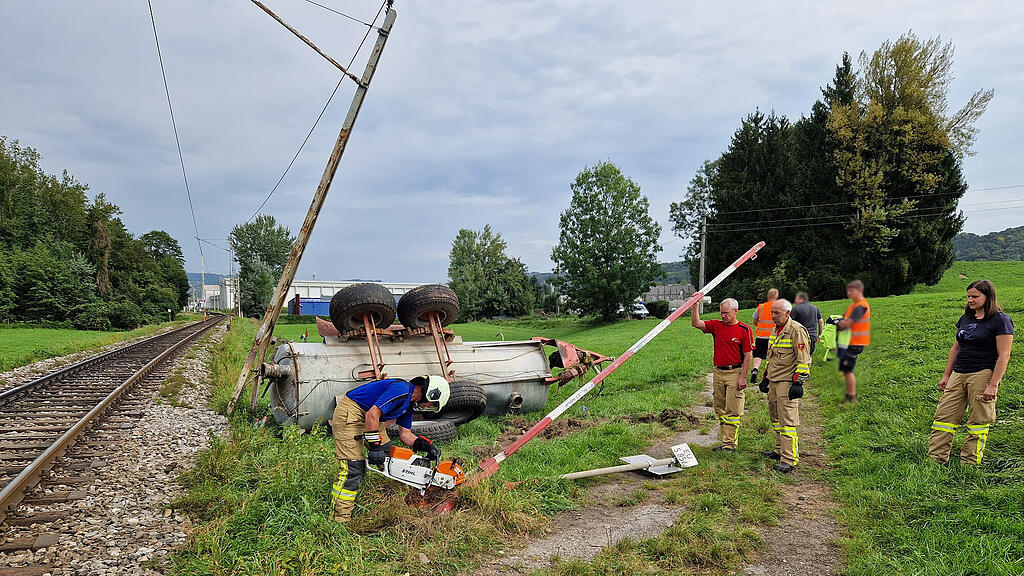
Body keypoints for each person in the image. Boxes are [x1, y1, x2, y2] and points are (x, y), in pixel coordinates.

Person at [330, 375, 451, 522]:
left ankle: (394, 498)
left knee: (391, 456)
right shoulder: (401, 390)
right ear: (431, 393)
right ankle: (339, 519)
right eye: (431, 404)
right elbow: (372, 414)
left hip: (371, 417)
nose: (427, 407)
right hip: (352, 412)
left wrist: (426, 446)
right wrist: (374, 447)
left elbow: (405, 435)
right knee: (354, 467)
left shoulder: (408, 405)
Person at [928, 280, 1014, 465]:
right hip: (958, 373)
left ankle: (970, 462)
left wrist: (993, 385)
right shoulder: (966, 318)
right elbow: (955, 349)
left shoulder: (1001, 320)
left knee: (979, 421)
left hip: (983, 374)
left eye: (975, 296)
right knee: (943, 417)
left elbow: (1004, 355)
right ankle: (936, 459)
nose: (970, 300)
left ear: (988, 297)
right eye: (968, 296)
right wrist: (946, 375)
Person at [691, 298, 753, 452]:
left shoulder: (744, 330)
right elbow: (696, 323)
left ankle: (729, 445)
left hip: (735, 372)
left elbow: (748, 356)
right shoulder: (716, 326)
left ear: (735, 311)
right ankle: (726, 440)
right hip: (718, 372)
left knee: (733, 409)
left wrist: (743, 377)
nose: (723, 316)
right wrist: (695, 305)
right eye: (721, 313)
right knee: (720, 408)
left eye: (726, 313)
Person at [757, 299, 811, 473]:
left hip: (787, 383)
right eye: (772, 312)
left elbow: (803, 359)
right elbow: (771, 357)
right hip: (774, 381)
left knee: (787, 421)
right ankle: (779, 450)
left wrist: (798, 382)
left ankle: (789, 459)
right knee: (776, 418)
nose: (773, 316)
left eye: (777, 313)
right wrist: (765, 377)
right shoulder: (775, 330)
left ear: (787, 313)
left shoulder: (796, 330)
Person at [834, 280, 870, 403]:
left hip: (855, 342)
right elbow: (843, 321)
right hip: (849, 342)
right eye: (847, 290)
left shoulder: (861, 306)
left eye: (851, 291)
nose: (848, 293)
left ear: (859, 291)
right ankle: (850, 395)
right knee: (846, 370)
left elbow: (845, 323)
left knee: (847, 370)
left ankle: (851, 397)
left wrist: (839, 323)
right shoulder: (853, 306)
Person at [750, 288, 779, 383]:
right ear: (776, 297)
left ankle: (755, 370)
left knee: (758, 355)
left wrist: (760, 326)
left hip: (760, 336)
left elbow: (755, 320)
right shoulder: (778, 307)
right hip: (773, 336)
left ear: (768, 296)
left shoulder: (761, 307)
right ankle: (768, 375)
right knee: (772, 356)